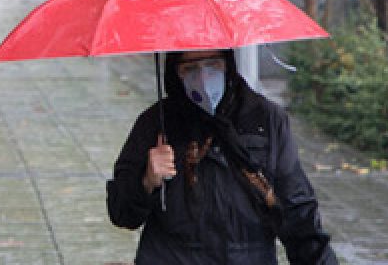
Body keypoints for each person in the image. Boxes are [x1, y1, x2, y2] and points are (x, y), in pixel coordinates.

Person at [107, 49, 338, 264]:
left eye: (213, 64)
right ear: (175, 71)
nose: (204, 78)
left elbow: (298, 212)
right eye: (190, 68)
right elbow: (121, 213)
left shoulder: (265, 121)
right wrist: (146, 181)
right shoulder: (155, 124)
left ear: (228, 64)